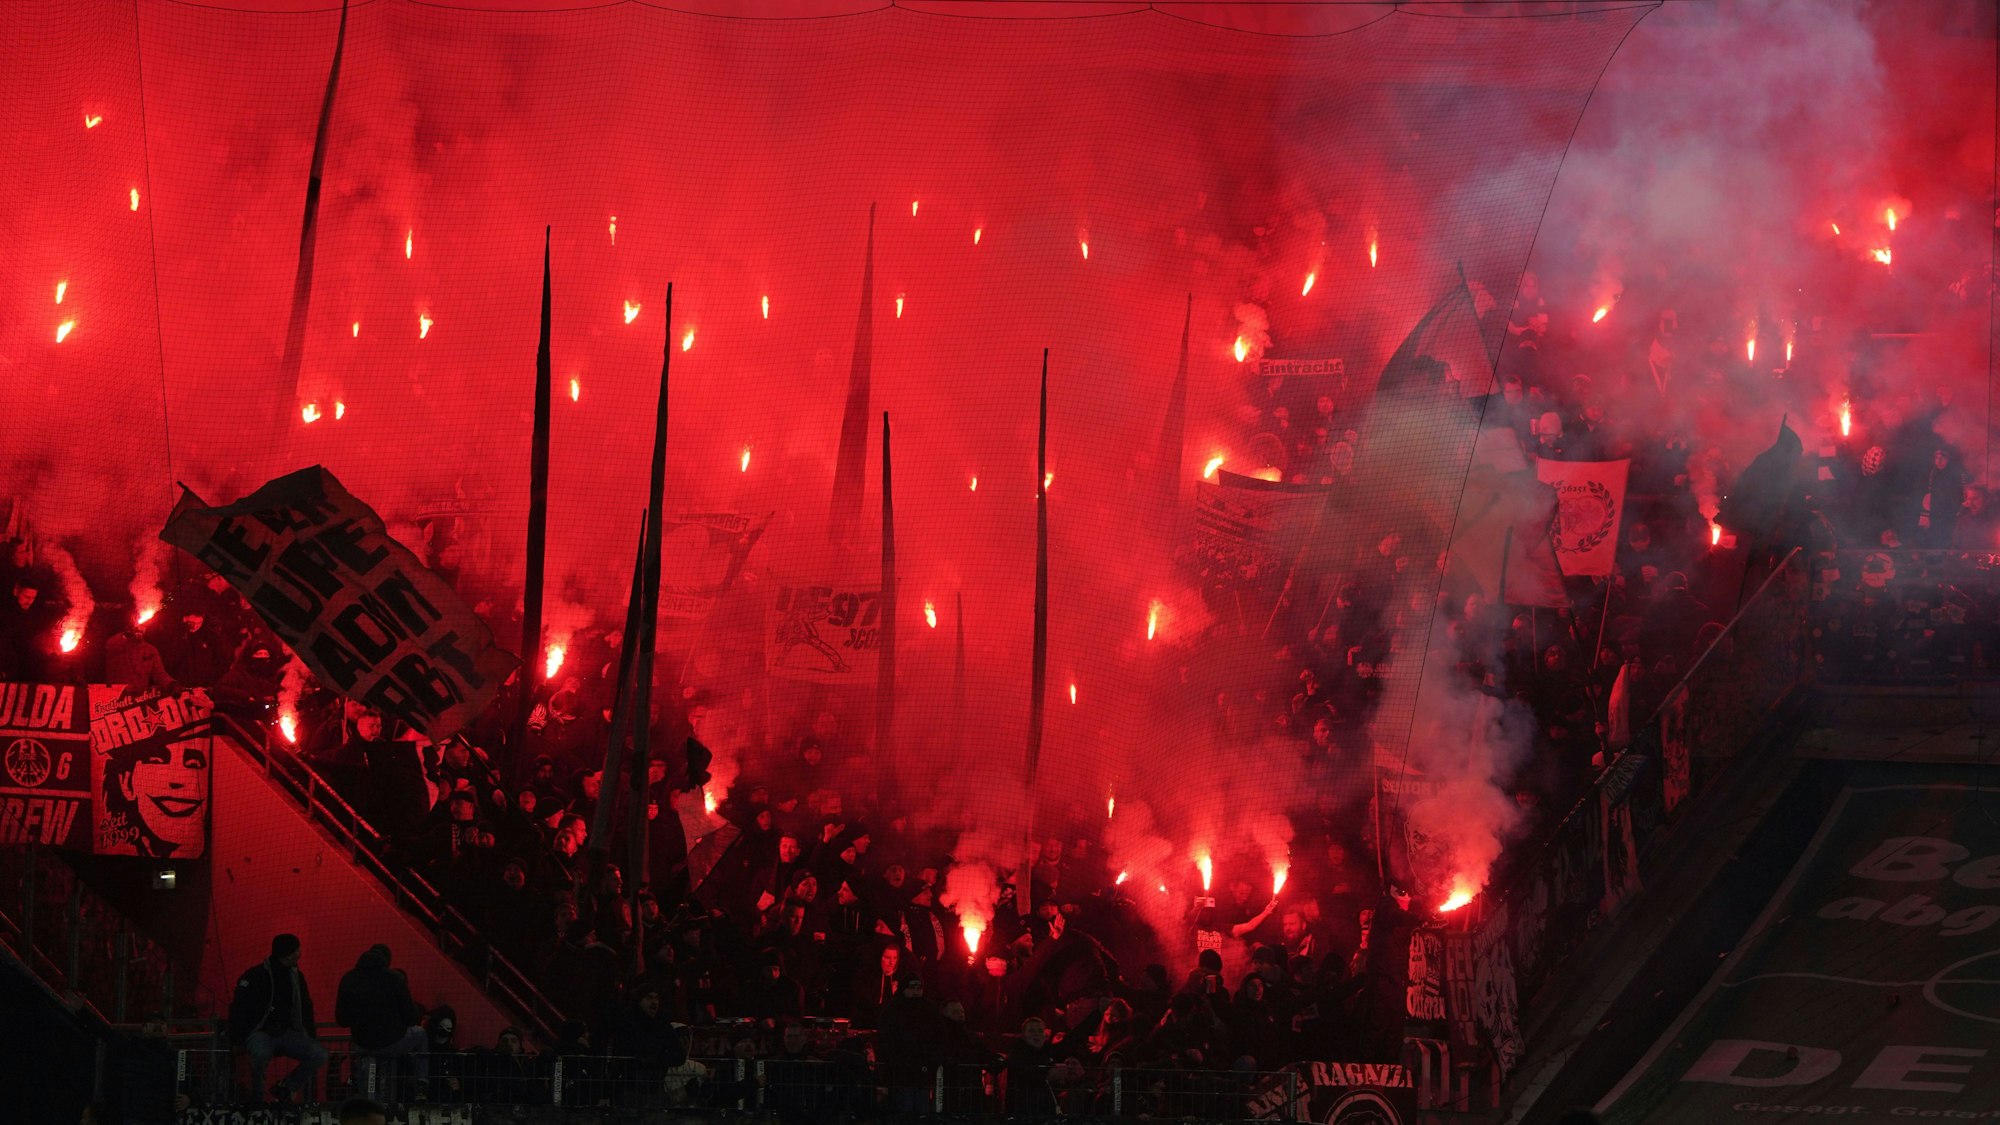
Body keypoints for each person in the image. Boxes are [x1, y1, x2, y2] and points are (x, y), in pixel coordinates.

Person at [228, 934, 326, 1104]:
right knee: (261, 1053)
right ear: (287, 955)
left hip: (284, 1032)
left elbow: (306, 1006)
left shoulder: (294, 976)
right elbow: (239, 1008)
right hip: (261, 1031)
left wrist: (310, 1035)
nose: (299, 954)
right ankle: (258, 1096)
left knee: (319, 1054)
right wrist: (237, 1038)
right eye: (297, 951)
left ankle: (286, 1087)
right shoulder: (256, 976)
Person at [335, 944, 428, 1100]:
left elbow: (342, 1020)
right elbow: (411, 1017)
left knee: (366, 1068)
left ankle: (365, 1100)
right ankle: (421, 1085)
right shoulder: (395, 978)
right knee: (421, 1034)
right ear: (387, 960)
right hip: (392, 1042)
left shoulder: (348, 978)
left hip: (362, 1043)